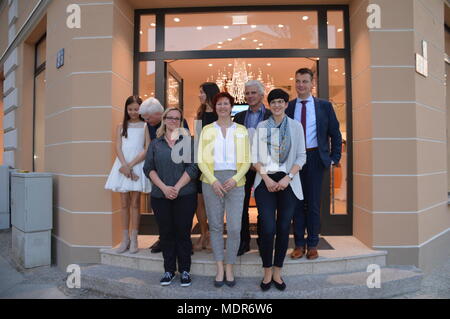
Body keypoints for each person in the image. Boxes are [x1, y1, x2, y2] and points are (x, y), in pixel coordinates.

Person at [252, 89, 306, 291]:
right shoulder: (261, 126)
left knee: (283, 228)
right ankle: (266, 272)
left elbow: (302, 157)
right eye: (273, 102)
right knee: (267, 227)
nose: (276, 105)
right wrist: (265, 178)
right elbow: (254, 157)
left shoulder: (295, 127)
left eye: (280, 101)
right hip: (265, 180)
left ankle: (277, 272)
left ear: (286, 104)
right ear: (269, 104)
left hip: (288, 181)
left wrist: (288, 178)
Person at [286, 68, 342, 260]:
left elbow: (335, 133)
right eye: (298, 81)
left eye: (304, 81)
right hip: (294, 162)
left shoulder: (324, 106)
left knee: (313, 205)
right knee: (296, 205)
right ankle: (299, 244)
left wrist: (334, 158)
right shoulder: (289, 107)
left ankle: (312, 244)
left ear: (312, 84)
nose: (301, 85)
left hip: (316, 159)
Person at [198, 92, 251, 288]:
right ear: (215, 106)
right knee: (216, 226)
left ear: (231, 106)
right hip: (211, 181)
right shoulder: (207, 130)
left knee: (235, 228)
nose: (222, 107)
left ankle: (230, 266)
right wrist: (212, 180)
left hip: (235, 181)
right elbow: (201, 160)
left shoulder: (242, 130)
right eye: (219, 103)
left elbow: (246, 160)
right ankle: (219, 267)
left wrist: (235, 178)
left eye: (226, 103)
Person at [143, 107, 198, 287]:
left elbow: (192, 168)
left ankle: (184, 271)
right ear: (164, 119)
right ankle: (168, 270)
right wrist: (165, 188)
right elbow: (148, 168)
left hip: (185, 195)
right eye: (170, 118)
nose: (174, 121)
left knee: (183, 232)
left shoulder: (188, 142)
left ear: (180, 121)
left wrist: (176, 187)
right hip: (160, 196)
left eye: (177, 118)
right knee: (166, 233)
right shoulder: (155, 144)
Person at [139, 97, 190, 253]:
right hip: (160, 178)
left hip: (181, 182)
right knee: (164, 220)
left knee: (181, 222)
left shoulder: (180, 124)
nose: (147, 121)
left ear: (158, 114)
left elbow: (188, 160)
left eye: (148, 118)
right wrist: (163, 186)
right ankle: (164, 241)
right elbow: (150, 162)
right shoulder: (150, 127)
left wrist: (176, 186)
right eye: (145, 118)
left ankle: (183, 245)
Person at [105, 95, 151, 254]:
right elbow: (117, 146)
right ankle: (125, 239)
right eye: (130, 109)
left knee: (136, 203)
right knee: (124, 204)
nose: (133, 112)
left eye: (136, 109)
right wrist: (124, 165)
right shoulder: (120, 126)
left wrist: (130, 166)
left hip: (136, 165)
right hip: (122, 165)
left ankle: (134, 238)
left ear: (141, 109)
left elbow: (146, 148)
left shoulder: (145, 126)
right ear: (126, 109)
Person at [233, 80, 272, 256]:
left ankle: (264, 241)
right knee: (241, 205)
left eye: (253, 93)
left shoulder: (272, 115)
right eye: (247, 93)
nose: (249, 96)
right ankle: (244, 241)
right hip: (244, 168)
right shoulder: (239, 117)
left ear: (262, 95)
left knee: (264, 206)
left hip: (265, 168)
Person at [192, 82, 220, 252]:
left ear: (209, 94)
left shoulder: (220, 113)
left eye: (201, 92)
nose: (199, 95)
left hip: (216, 163)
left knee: (213, 202)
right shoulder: (199, 113)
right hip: (201, 161)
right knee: (199, 201)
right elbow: (197, 140)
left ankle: (214, 236)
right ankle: (204, 233)